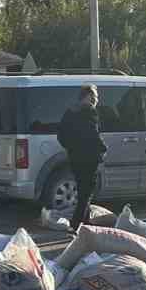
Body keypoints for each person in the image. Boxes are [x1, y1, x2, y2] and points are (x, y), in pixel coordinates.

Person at [55, 84, 107, 228]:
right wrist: (103, 148)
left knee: (82, 189)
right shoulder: (89, 112)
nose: (96, 100)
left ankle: (85, 221)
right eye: (95, 97)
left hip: (75, 157)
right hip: (89, 158)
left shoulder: (70, 112)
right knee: (87, 191)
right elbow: (93, 134)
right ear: (89, 96)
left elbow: (61, 135)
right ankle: (76, 224)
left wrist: (72, 147)